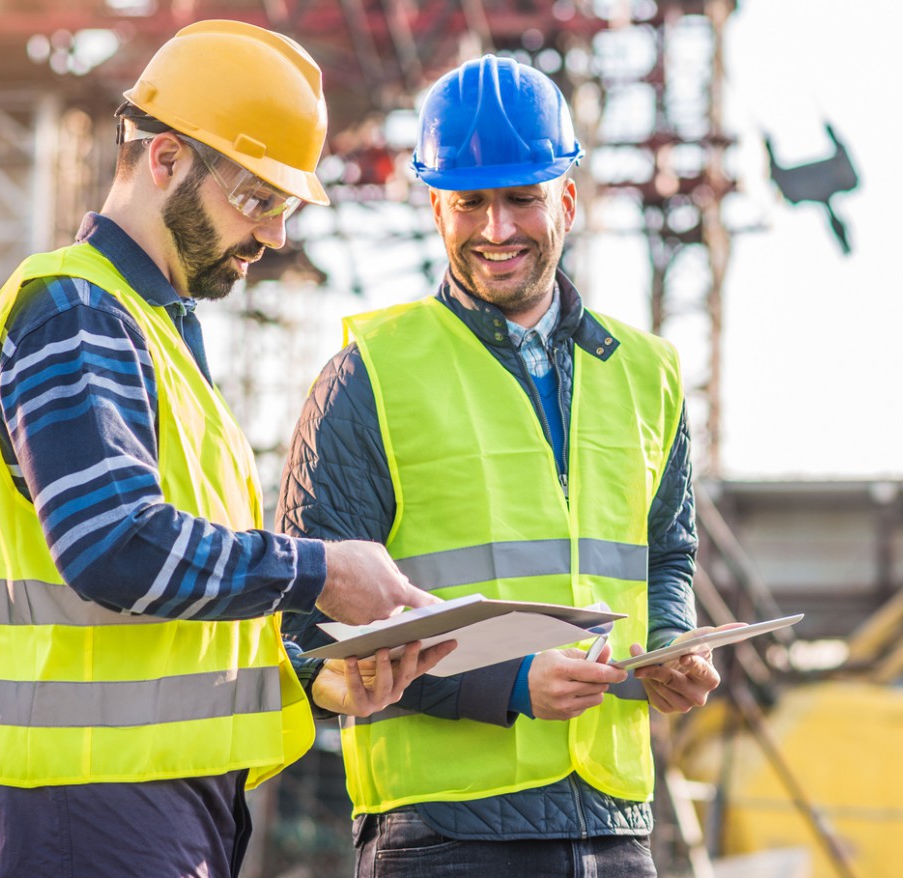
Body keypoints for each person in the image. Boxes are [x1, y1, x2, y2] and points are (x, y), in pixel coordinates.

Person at [0, 21, 452, 877]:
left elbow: (179, 604)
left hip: (149, 801)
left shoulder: (153, 336)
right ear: (165, 161)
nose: (273, 235)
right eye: (258, 199)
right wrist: (323, 572)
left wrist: (318, 680)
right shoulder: (77, 311)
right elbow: (114, 546)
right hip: (83, 806)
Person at [277, 54, 738, 877]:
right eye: (470, 204)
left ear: (565, 197)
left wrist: (669, 645)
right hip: (442, 836)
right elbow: (312, 635)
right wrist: (511, 683)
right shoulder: (370, 376)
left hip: (614, 821)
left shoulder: (648, 372)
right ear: (435, 209)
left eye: (521, 198)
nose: (496, 230)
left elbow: (666, 556)